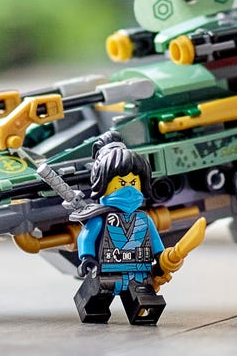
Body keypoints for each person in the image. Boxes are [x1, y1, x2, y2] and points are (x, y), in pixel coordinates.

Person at [71, 132, 167, 325]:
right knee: (96, 300)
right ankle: (95, 311)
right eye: (121, 183)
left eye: (133, 182)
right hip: (107, 272)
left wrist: (162, 258)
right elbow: (86, 237)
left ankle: (141, 313)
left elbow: (155, 242)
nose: (129, 189)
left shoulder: (143, 219)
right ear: (103, 184)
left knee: (146, 302)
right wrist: (87, 258)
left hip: (138, 272)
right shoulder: (100, 217)